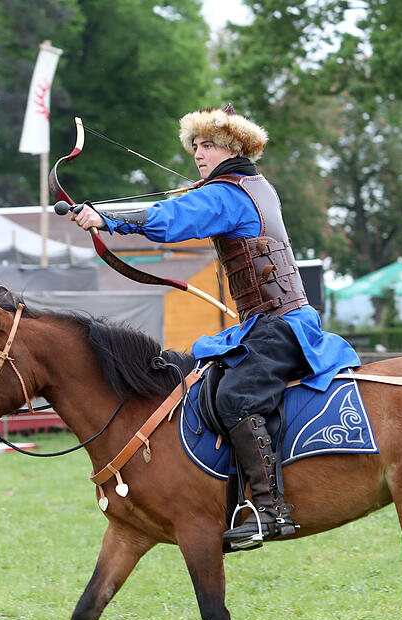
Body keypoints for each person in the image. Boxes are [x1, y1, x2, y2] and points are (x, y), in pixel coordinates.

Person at [69, 103, 361, 549]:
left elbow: (175, 218)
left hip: (279, 325)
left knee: (236, 396)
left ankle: (269, 510)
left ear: (232, 147)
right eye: (195, 146)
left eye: (207, 145)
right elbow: (182, 207)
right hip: (269, 323)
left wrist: (106, 218)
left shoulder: (230, 193)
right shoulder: (251, 187)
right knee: (206, 382)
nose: (198, 154)